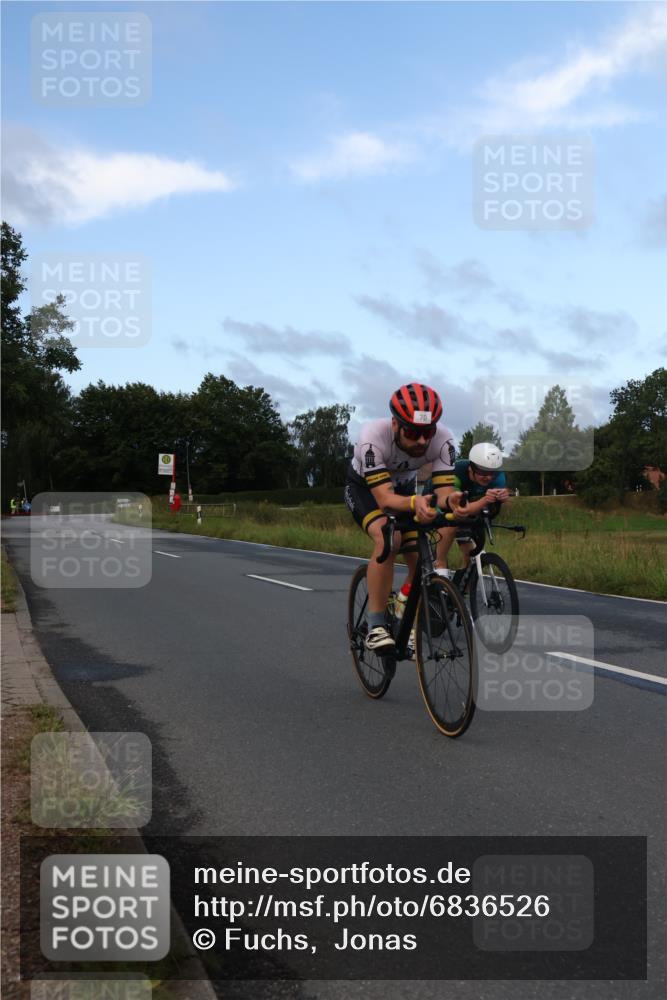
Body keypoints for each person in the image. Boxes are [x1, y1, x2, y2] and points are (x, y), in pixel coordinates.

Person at [344, 383, 466, 654]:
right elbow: (385, 499)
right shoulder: (372, 438)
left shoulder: (444, 439)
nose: (422, 441)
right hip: (366, 489)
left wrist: (451, 500)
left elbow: (444, 490)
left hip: (405, 490)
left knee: (420, 553)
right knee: (389, 536)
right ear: (395, 424)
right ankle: (375, 626)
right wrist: (415, 503)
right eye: (412, 432)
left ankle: (402, 605)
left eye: (427, 433)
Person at [431, 442, 510, 574]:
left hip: (470, 507)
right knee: (450, 528)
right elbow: (460, 510)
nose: (488, 477)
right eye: (483, 472)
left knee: (471, 557)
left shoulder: (498, 477)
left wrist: (500, 499)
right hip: (441, 503)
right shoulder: (455, 473)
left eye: (492, 472)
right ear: (470, 468)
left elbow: (490, 510)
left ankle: (462, 590)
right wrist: (485, 500)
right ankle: (440, 565)